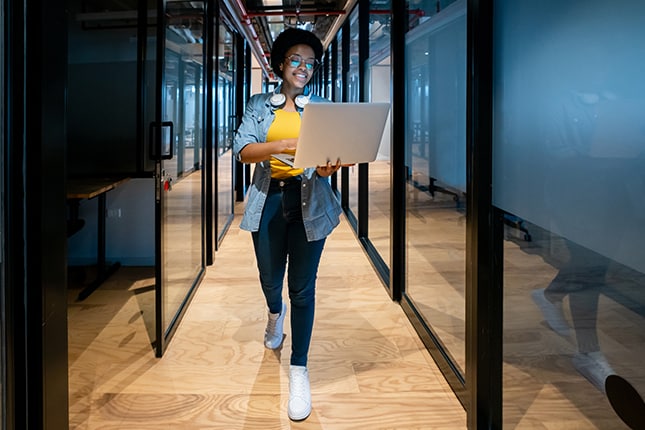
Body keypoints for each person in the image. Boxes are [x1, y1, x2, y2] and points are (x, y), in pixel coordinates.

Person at [232, 27, 343, 421]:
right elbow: (243, 150)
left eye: (310, 63)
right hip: (269, 199)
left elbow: (328, 160)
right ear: (281, 64)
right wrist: (282, 145)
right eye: (296, 60)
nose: (303, 68)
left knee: (302, 289)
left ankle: (299, 368)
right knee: (269, 277)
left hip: (310, 200)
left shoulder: (323, 106)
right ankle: (272, 313)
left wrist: (330, 167)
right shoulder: (260, 103)